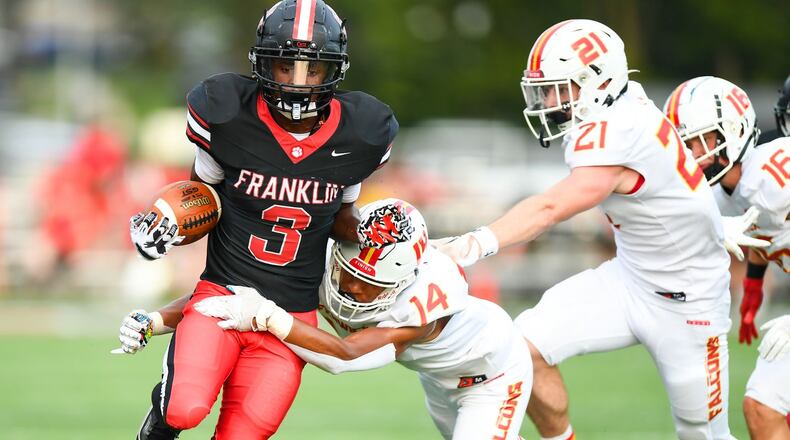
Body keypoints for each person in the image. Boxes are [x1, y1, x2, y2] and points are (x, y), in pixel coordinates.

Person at [432, 19, 763, 440]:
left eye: (559, 88)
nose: (549, 100)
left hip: (689, 298)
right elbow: (674, 189)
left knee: (702, 434)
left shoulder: (618, 127)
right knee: (519, 348)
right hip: (629, 279)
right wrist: (713, 226)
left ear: (597, 81)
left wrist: (471, 245)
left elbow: (552, 207)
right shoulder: (623, 106)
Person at [117, 1, 398, 439]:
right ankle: (160, 414)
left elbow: (341, 217)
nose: (299, 81)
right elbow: (203, 200)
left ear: (334, 72)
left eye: (313, 69)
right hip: (221, 296)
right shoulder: (229, 113)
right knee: (184, 409)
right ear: (263, 63)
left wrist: (369, 233)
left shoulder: (359, 132)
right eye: (286, 66)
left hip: (291, 317)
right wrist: (166, 222)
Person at [192, 199, 533, 440]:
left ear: (402, 280)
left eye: (371, 283)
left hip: (491, 375)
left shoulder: (424, 302)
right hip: (435, 377)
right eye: (348, 271)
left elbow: (343, 356)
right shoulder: (327, 255)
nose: (352, 287)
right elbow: (224, 290)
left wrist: (267, 316)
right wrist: (155, 321)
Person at [664, 75, 790, 439]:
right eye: (682, 142)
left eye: (696, 140)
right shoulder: (724, 194)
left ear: (730, 132)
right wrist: (752, 287)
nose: (687, 153)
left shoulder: (775, 176)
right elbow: (762, 230)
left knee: (765, 407)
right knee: (765, 407)